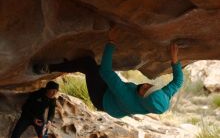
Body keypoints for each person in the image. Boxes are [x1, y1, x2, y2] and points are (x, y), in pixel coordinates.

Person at [33, 32, 183, 118]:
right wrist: (175, 60)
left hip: (103, 100)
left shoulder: (128, 98)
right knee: (92, 68)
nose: (145, 85)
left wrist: (111, 42)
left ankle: (49, 68)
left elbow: (106, 71)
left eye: (145, 91)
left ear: (143, 99)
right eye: (150, 86)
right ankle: (71, 65)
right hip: (112, 94)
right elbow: (178, 82)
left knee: (89, 64)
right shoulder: (161, 96)